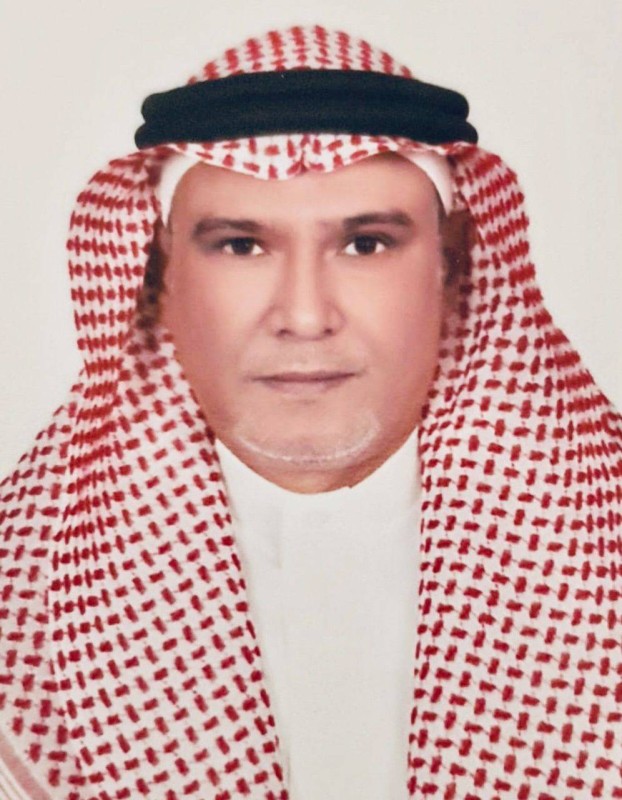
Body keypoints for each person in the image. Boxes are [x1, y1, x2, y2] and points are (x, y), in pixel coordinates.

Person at [1, 24, 620, 800]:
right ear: (161, 273)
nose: (302, 315)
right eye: (240, 246)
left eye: (366, 245)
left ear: (452, 262)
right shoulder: (23, 585)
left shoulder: (602, 536)